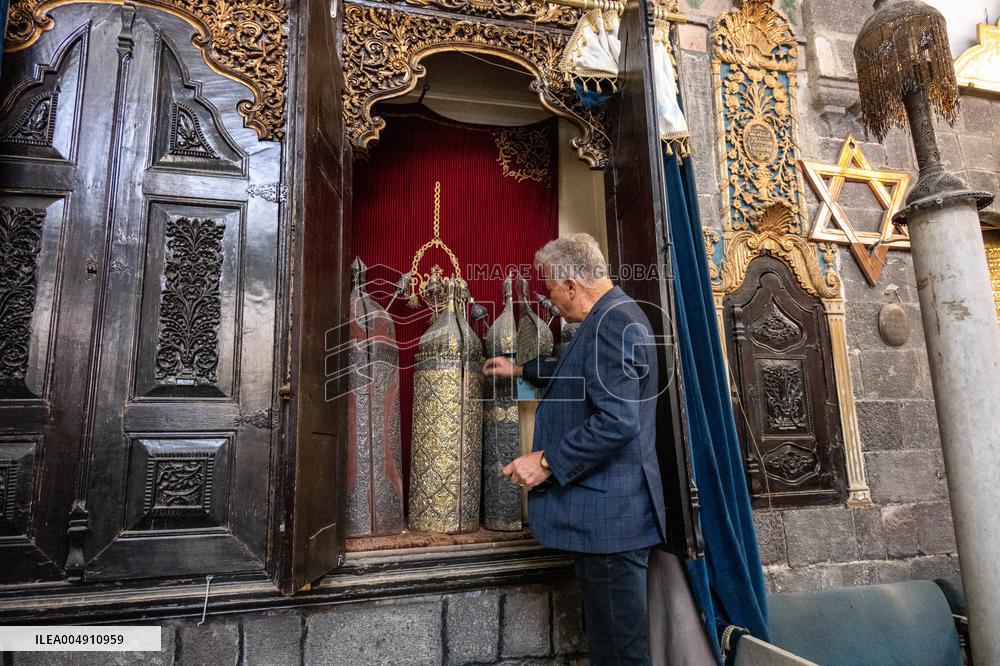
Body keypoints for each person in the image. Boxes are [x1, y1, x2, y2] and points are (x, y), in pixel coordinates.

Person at [482, 233, 667, 666]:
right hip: (609, 519)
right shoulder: (610, 316)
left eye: (549, 287)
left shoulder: (613, 324)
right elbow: (580, 373)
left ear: (570, 284)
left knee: (620, 653)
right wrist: (522, 369)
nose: (550, 297)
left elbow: (616, 421)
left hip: (611, 525)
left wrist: (545, 461)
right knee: (611, 646)